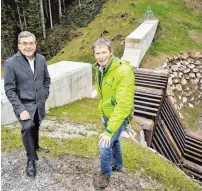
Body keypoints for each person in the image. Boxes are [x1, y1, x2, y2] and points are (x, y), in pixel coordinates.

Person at [4, 31, 51, 178]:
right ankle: (31, 160)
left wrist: (44, 95)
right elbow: (9, 90)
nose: (28, 46)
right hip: (24, 105)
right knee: (28, 127)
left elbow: (46, 80)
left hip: (39, 103)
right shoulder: (11, 63)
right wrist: (20, 109)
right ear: (19, 45)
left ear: (35, 44)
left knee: (36, 125)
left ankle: (36, 146)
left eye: (31, 43)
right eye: (24, 43)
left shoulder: (42, 59)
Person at [92, 38, 135, 189]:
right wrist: (102, 114)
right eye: (97, 53)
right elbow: (104, 95)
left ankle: (105, 175)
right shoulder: (100, 68)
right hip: (107, 113)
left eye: (104, 52)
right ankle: (118, 164)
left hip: (119, 115)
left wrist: (109, 130)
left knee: (104, 145)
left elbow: (124, 105)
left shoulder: (124, 71)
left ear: (111, 52)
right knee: (114, 141)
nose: (101, 56)